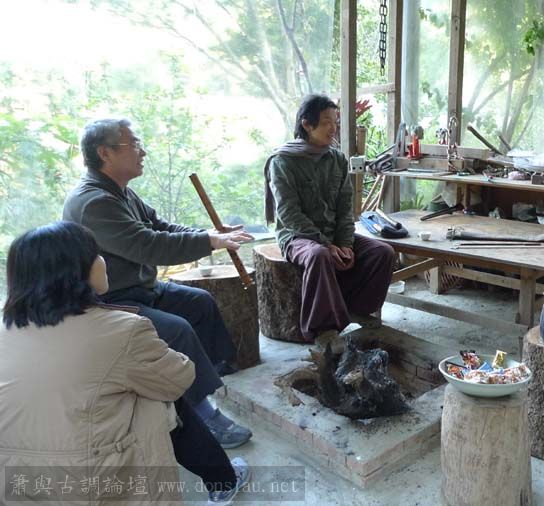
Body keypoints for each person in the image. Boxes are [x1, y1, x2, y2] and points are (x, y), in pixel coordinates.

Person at [0, 222, 250, 504]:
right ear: (74, 272)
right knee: (157, 398)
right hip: (90, 480)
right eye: (96, 254)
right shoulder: (120, 330)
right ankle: (223, 481)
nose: (103, 261)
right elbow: (178, 378)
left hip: (17, 482)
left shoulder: (6, 329)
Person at [62, 118, 254, 448]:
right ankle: (200, 413)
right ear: (105, 153)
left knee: (200, 303)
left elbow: (160, 226)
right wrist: (209, 241)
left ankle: (200, 382)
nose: (143, 151)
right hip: (109, 300)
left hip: (140, 289)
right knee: (177, 329)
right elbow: (150, 245)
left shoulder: (119, 192)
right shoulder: (94, 202)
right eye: (135, 144)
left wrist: (209, 235)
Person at [264, 94, 395, 351]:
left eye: (335, 122)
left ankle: (353, 310)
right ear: (306, 124)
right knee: (319, 255)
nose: (333, 128)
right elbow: (289, 214)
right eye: (326, 122)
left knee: (383, 252)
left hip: (333, 235)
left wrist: (345, 243)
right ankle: (323, 330)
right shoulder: (283, 161)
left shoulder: (336, 159)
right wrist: (326, 244)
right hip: (297, 237)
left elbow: (346, 207)